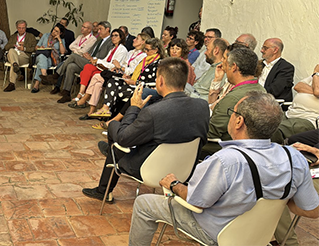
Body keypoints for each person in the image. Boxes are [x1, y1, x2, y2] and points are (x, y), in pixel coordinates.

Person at [129, 91, 319, 246]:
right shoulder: (294, 157)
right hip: (258, 235)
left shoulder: (226, 160)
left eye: (232, 112)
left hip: (217, 234)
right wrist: (277, 197)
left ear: (239, 121)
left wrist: (174, 184)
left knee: (144, 203)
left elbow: (196, 201)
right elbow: (312, 210)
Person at [81, 57, 209, 202]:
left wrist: (134, 107)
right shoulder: (202, 106)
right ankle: (112, 152)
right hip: (184, 170)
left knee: (113, 128)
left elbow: (124, 138)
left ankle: (105, 185)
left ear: (160, 81)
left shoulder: (154, 112)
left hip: (149, 169)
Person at [201, 47, 265, 157]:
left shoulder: (233, 98)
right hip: (251, 149)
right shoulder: (261, 90)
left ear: (234, 67)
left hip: (226, 148)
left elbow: (211, 132)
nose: (222, 64)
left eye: (225, 59)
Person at [71, 32, 149, 115]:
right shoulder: (130, 52)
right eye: (112, 36)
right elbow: (119, 64)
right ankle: (91, 111)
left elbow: (132, 70)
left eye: (137, 38)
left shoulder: (142, 55)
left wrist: (120, 67)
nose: (134, 39)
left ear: (143, 42)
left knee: (96, 75)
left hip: (126, 78)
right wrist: (117, 67)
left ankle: (84, 97)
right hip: (118, 72)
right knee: (97, 83)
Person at [89, 37, 165, 119]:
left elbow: (155, 83)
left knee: (118, 90)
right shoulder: (146, 60)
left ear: (155, 50)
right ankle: (106, 109)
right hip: (134, 83)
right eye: (145, 49)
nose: (145, 52)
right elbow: (139, 72)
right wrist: (130, 76)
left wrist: (135, 82)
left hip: (144, 88)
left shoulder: (159, 63)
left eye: (147, 50)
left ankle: (113, 118)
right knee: (113, 81)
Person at [55, 21, 115, 103]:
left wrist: (91, 58)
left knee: (73, 56)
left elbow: (104, 57)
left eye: (100, 29)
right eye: (98, 29)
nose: (98, 31)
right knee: (71, 66)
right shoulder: (99, 41)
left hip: (96, 65)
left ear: (107, 29)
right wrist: (87, 55)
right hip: (88, 61)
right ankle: (67, 93)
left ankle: (57, 75)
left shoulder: (110, 42)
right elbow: (87, 52)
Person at [68, 28, 127, 104]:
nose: (113, 38)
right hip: (104, 68)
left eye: (116, 36)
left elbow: (113, 65)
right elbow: (106, 60)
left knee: (87, 70)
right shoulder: (113, 48)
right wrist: (94, 60)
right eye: (112, 36)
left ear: (121, 37)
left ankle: (82, 93)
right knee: (86, 70)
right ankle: (83, 94)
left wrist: (97, 61)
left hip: (111, 71)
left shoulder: (122, 49)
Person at [3, 20, 37, 92]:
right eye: (19, 28)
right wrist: (14, 45)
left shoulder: (30, 36)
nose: (21, 30)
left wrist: (24, 48)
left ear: (26, 28)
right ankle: (15, 65)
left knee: (13, 61)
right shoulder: (13, 37)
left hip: (24, 56)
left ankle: (12, 84)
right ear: (17, 28)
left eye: (23, 28)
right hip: (13, 55)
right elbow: (6, 47)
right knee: (11, 51)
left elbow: (34, 48)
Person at [32, 23, 66, 93]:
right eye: (54, 29)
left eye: (57, 31)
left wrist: (59, 40)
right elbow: (36, 47)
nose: (54, 32)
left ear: (61, 33)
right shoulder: (45, 35)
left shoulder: (62, 40)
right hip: (41, 55)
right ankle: (44, 75)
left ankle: (37, 84)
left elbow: (63, 52)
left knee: (41, 64)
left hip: (52, 60)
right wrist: (40, 47)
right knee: (42, 57)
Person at [259, 38, 294, 103]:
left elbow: (275, 90)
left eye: (265, 48)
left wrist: (254, 95)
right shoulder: (258, 65)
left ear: (275, 50)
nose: (261, 50)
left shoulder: (286, 68)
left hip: (272, 104)